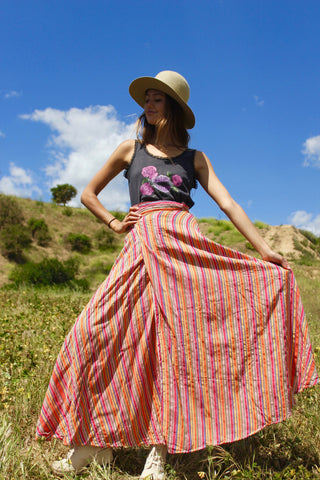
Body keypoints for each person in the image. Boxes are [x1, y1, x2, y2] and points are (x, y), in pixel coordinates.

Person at [36, 71, 318, 479]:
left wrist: (265, 249)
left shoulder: (195, 159)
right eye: (146, 99)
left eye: (156, 100)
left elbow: (229, 203)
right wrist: (114, 223)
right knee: (91, 333)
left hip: (183, 252)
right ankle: (94, 444)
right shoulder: (129, 150)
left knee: (175, 350)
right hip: (140, 249)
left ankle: (159, 452)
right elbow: (88, 193)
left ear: (173, 108)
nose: (147, 106)